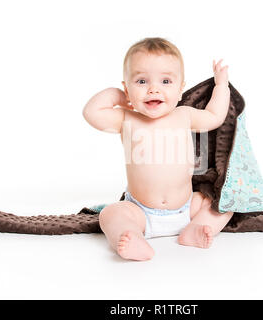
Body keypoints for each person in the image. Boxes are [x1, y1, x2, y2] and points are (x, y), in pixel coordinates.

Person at [82, 37, 233, 261]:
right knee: (110, 214)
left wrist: (221, 86)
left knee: (223, 204)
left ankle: (197, 228)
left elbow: (214, 116)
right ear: (128, 88)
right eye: (142, 82)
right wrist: (116, 95)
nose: (153, 89)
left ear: (180, 89)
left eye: (165, 81)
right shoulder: (126, 118)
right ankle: (130, 235)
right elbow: (92, 113)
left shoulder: (184, 115)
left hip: (186, 207)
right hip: (140, 211)